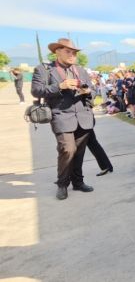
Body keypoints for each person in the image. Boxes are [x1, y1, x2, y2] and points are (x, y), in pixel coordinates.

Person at [31, 38, 95, 200]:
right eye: (68, 51)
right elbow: (36, 90)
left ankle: (78, 182)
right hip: (61, 116)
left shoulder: (81, 70)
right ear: (56, 51)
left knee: (79, 152)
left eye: (74, 52)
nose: (72, 55)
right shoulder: (44, 69)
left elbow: (92, 90)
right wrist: (60, 86)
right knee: (67, 149)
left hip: (83, 116)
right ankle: (62, 184)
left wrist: (87, 91)